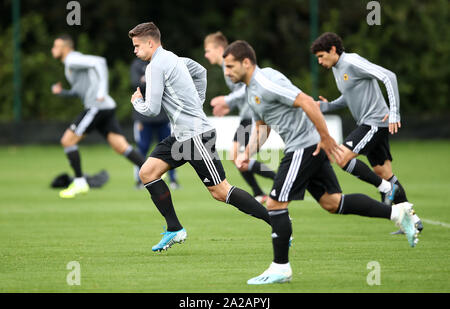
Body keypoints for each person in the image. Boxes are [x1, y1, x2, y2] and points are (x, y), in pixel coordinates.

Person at [223, 40, 420, 285]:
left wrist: (326, 138)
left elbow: (305, 101)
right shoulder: (251, 90)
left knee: (274, 204)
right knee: (332, 202)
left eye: (230, 67)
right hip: (307, 145)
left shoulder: (265, 82)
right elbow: (264, 126)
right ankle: (397, 212)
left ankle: (281, 268)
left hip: (303, 146)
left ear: (246, 62)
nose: (227, 72)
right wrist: (248, 152)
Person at [128, 22, 272, 252]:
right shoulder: (174, 58)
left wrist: (137, 102)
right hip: (181, 136)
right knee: (147, 172)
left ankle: (277, 222)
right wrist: (198, 101)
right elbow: (200, 72)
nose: (135, 51)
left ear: (150, 43)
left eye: (137, 46)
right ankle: (174, 228)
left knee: (221, 191)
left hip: (195, 136)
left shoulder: (155, 66)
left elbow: (152, 109)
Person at [310, 32, 422, 234]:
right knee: (384, 172)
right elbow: (349, 96)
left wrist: (395, 112)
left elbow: (389, 76)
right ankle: (413, 221)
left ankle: (385, 188)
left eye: (321, 56)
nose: (319, 61)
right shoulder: (338, 69)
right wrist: (328, 106)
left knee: (341, 156)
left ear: (333, 50)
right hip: (369, 123)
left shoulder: (352, 61)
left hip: (375, 123)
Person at [51, 35, 146, 198]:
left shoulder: (72, 60)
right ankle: (151, 169)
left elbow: (100, 62)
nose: (53, 50)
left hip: (97, 107)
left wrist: (102, 91)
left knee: (67, 140)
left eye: (56, 46)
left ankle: (80, 183)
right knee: (120, 146)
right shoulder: (70, 64)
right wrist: (63, 93)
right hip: (105, 107)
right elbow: (81, 90)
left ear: (65, 48)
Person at [204, 32, 276, 203]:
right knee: (236, 156)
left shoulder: (229, 66)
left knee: (237, 156)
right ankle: (260, 191)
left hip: (252, 115)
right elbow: (242, 92)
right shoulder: (226, 68)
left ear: (219, 49)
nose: (206, 55)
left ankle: (277, 181)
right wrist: (228, 105)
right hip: (246, 115)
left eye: (208, 50)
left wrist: (227, 101)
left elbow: (247, 89)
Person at [130, 58, 179, 190]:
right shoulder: (137, 64)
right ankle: (140, 180)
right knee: (142, 148)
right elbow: (135, 83)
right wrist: (155, 81)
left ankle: (173, 179)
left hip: (163, 116)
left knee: (170, 148)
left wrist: (147, 80)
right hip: (143, 118)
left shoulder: (161, 62)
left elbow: (168, 84)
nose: (137, 50)